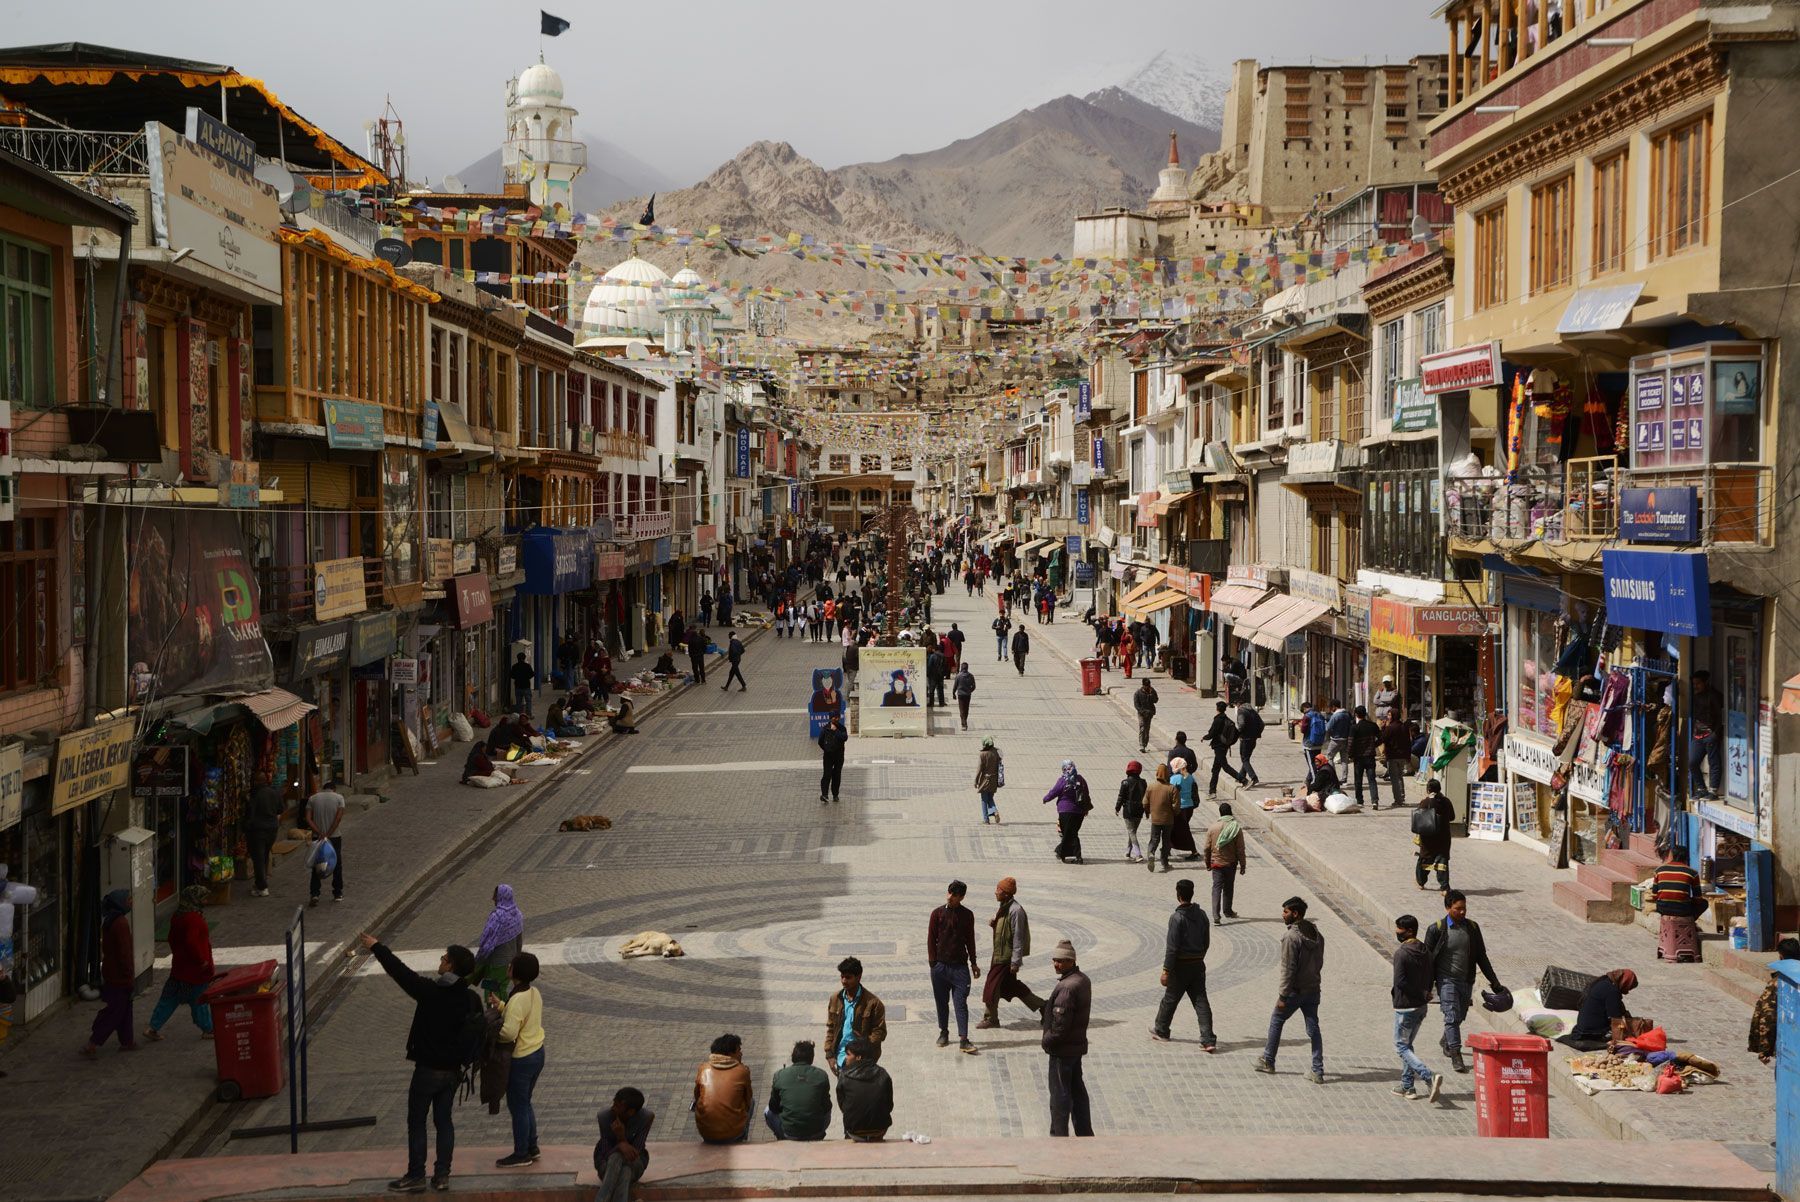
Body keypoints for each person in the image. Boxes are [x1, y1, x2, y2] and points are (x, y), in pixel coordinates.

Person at [359, 932, 481, 1194]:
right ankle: (442, 1175)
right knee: (444, 1121)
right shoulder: (470, 998)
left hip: (427, 1071)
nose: (441, 960)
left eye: (444, 958)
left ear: (450, 966)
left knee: (417, 1121)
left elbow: (399, 972)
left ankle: (416, 1175)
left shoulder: (430, 992)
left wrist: (377, 947)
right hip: (452, 1073)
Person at [1422, 890, 1502, 1074]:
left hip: (1466, 980)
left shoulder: (1473, 928)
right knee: (1450, 1015)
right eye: (1458, 909)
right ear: (1448, 908)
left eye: (1464, 908)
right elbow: (1427, 962)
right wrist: (1426, 987)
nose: (1462, 912)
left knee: (1459, 1016)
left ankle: (1447, 1040)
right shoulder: (1436, 929)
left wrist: (1494, 982)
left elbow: (1482, 957)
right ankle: (1456, 1054)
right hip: (1446, 980)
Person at [1255, 897, 1325, 1082]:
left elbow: (1288, 969)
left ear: (1295, 913)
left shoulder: (1291, 937)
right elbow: (1320, 962)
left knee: (1277, 1019)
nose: (1282, 915)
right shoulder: (1316, 933)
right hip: (1313, 989)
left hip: (1295, 991)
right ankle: (1317, 1070)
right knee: (1313, 1028)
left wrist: (1283, 996)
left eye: (1286, 911)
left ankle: (1268, 1060)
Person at [1150, 878, 1216, 1050]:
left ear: (1178, 895)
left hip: (1180, 967)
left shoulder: (1177, 918)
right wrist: (1199, 956)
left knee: (1170, 1000)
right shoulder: (1201, 915)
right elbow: (1206, 941)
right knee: (1201, 1002)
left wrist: (1166, 970)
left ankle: (1162, 1030)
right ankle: (1208, 1039)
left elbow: (1172, 948)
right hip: (1198, 965)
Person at [143, 884, 215, 1041]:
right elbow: (192, 942)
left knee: (169, 999)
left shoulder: (178, 916)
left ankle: (153, 1027)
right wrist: (201, 961)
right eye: (203, 898)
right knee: (200, 1002)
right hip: (195, 971)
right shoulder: (193, 919)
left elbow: (172, 939)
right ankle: (208, 1028)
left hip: (180, 968)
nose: (206, 901)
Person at [493, 952, 546, 1166]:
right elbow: (523, 1015)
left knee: (518, 1106)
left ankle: (521, 1152)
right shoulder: (533, 992)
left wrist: (493, 1031)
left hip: (521, 1058)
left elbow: (508, 1033)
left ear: (515, 971)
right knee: (525, 1103)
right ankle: (532, 1146)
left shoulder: (516, 999)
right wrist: (502, 1006)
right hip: (537, 1052)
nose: (508, 967)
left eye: (511, 965)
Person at [1042, 938, 1093, 1137]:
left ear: (1072, 961)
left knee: (1060, 1095)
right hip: (1076, 1048)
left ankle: (1059, 1134)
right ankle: (1084, 1132)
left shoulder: (1066, 988)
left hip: (1062, 1050)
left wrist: (1047, 1040)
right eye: (1055, 960)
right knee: (1077, 1092)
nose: (1057, 964)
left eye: (1061, 961)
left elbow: (1059, 1026)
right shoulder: (1083, 979)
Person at [1391, 914, 1443, 1103]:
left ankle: (1428, 1076)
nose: (1397, 932)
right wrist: (1425, 993)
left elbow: (1400, 982)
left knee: (1401, 1045)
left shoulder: (1402, 953)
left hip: (1405, 1007)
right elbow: (1432, 975)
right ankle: (1407, 1085)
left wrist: (1420, 993)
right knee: (1408, 1045)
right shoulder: (1425, 951)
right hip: (1421, 1007)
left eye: (1399, 929)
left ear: (1409, 931)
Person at [978, 877, 1044, 1026]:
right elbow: (1004, 929)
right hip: (999, 955)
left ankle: (990, 1018)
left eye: (998, 890)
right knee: (1012, 987)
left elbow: (1018, 937)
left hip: (1005, 958)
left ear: (1006, 894)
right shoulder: (1004, 906)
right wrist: (994, 923)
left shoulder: (1016, 911)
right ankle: (1044, 1006)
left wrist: (1015, 962)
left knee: (991, 986)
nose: (995, 892)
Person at [80, 890, 138, 1057]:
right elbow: (124, 952)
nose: (131, 903)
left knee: (125, 1008)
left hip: (112, 971)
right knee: (116, 1010)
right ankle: (93, 1042)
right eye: (128, 900)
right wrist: (128, 973)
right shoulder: (120, 923)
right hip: (119, 975)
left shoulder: (111, 921)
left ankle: (127, 1041)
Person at [927, 880, 982, 1054]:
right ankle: (943, 1031)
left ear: (962, 897)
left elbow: (970, 940)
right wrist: (933, 963)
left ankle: (963, 1039)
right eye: (949, 893)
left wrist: (973, 963)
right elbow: (931, 939)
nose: (950, 897)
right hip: (940, 967)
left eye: (954, 895)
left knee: (960, 1003)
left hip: (960, 968)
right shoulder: (937, 914)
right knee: (941, 1002)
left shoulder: (967, 915)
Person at [825, 956, 887, 1072]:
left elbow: (880, 1032)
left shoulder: (874, 1003)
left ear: (859, 977)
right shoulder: (835, 999)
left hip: (863, 1063)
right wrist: (829, 1054)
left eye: (848, 977)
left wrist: (864, 1043)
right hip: (841, 1059)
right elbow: (831, 1028)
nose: (844, 981)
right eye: (842, 977)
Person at [593, 1087, 654, 1202]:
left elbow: (635, 1153)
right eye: (614, 1104)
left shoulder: (646, 1118)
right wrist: (620, 1146)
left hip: (635, 1164)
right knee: (623, 1169)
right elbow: (605, 1154)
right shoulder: (605, 1117)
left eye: (617, 1106)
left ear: (631, 1112)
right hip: (606, 1167)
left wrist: (622, 1139)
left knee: (622, 1161)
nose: (613, 1108)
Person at [693, 1032, 754, 1144]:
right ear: (730, 1053)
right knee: (752, 1101)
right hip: (733, 1134)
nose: (741, 1054)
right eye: (739, 1050)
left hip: (706, 1134)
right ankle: (742, 1138)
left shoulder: (703, 1069)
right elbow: (748, 1100)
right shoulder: (742, 1071)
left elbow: (696, 1097)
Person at [765, 1040, 831, 1140]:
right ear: (811, 1058)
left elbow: (773, 1107)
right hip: (815, 1131)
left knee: (767, 1111)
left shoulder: (779, 1075)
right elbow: (827, 1106)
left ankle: (781, 1136)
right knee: (827, 1111)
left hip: (789, 1133)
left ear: (793, 1057)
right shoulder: (822, 1075)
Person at [1559, 969, 1639, 1051]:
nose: (1627, 991)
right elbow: (1615, 1017)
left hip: (1583, 1027)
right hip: (1591, 1031)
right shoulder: (1612, 990)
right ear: (1625, 982)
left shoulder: (1603, 982)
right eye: (1628, 988)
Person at [1749, 938, 1800, 1064]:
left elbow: (1768, 1016)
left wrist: (1764, 1049)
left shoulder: (1778, 983)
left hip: (1789, 1047)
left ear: (1781, 957)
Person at [1652, 845, 1706, 963]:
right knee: (1704, 903)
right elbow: (1698, 898)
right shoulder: (1692, 873)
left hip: (1663, 908)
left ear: (1672, 856)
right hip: (1683, 910)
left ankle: (1687, 923)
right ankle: (1690, 921)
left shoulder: (1659, 871)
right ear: (1686, 857)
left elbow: (1654, 895)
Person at [470, 884, 524, 1000]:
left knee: (492, 992)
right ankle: (503, 1011)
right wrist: (517, 959)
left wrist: (479, 959)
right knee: (502, 988)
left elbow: (487, 943)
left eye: (495, 895)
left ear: (501, 897)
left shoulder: (497, 917)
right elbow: (519, 940)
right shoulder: (518, 914)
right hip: (510, 963)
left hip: (496, 964)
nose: (493, 898)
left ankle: (496, 1014)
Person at [835, 1038, 893, 1141]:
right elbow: (889, 1105)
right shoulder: (883, 1073)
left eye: (848, 1055)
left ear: (858, 1057)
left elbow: (843, 1105)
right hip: (879, 1130)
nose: (845, 1058)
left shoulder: (844, 1075)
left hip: (854, 1131)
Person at [1202, 802, 1246, 923]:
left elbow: (1206, 848)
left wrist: (1207, 863)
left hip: (1216, 863)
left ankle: (1216, 915)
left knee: (1216, 888)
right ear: (1230, 812)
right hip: (1230, 863)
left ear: (1220, 813)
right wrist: (1243, 865)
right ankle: (1227, 911)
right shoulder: (1236, 828)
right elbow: (1240, 849)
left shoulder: (1212, 827)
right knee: (1228, 887)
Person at [305, 781, 346, 906]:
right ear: (333, 789)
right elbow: (338, 818)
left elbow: (308, 818)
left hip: (318, 837)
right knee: (336, 863)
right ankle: (337, 892)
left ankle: (315, 893)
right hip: (334, 837)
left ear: (324, 789)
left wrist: (319, 832)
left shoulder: (313, 798)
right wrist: (329, 833)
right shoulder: (339, 798)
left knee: (317, 864)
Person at [1042, 760, 1091, 864]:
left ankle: (1070, 855)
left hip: (1065, 811)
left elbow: (1054, 791)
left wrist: (1045, 799)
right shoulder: (1081, 779)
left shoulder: (1063, 780)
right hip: (1079, 812)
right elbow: (1086, 793)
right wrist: (1086, 808)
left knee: (1069, 834)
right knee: (1072, 833)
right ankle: (1063, 852)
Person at [244, 771, 284, 897]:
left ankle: (262, 886)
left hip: (258, 829)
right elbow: (280, 809)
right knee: (264, 855)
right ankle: (261, 883)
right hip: (272, 828)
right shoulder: (274, 792)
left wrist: (246, 826)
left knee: (258, 858)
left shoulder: (255, 794)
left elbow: (251, 813)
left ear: (256, 781)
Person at [1414, 780, 1456, 892]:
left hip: (1428, 839)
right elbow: (1452, 817)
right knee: (1442, 862)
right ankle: (1444, 887)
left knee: (1424, 860)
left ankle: (1421, 882)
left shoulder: (1424, 803)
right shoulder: (1446, 802)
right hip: (1443, 838)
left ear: (1428, 790)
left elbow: (1418, 819)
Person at [1689, 669, 1723, 799]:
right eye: (1694, 684)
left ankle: (1713, 791)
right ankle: (1701, 788)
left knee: (1713, 762)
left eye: (1698, 683)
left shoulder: (1714, 696)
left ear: (1706, 683)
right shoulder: (1696, 696)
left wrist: (1715, 734)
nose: (1695, 686)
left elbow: (1721, 716)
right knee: (1692, 762)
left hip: (1710, 734)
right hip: (1697, 735)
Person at [1203, 700, 1244, 799]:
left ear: (1217, 709)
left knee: (1225, 767)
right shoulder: (1226, 719)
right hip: (1224, 746)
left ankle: (1242, 780)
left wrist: (1204, 737)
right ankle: (1212, 791)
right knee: (1215, 770)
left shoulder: (1217, 720)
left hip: (1219, 746)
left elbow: (1212, 733)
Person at [1144, 763, 1179, 873]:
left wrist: (1147, 812)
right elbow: (1176, 805)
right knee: (1166, 840)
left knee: (1154, 838)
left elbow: (1145, 802)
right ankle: (1164, 862)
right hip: (1168, 820)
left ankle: (1151, 853)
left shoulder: (1151, 787)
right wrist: (1175, 813)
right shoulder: (1172, 788)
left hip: (1155, 819)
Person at [1349, 705, 1383, 808]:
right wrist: (1374, 745)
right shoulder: (1373, 726)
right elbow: (1381, 738)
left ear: (1356, 714)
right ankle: (1374, 800)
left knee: (1358, 780)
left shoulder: (1354, 728)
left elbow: (1350, 743)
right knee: (1372, 779)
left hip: (1358, 757)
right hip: (1370, 756)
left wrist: (1350, 755)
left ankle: (1360, 800)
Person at [1169, 758, 1201, 859]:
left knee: (1180, 829)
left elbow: (1170, 793)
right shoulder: (1190, 777)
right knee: (1179, 828)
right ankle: (1168, 847)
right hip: (1189, 807)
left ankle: (1194, 851)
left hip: (1179, 808)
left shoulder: (1174, 779)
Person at [1115, 761, 1147, 863]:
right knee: (1132, 831)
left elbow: (1121, 796)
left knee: (1132, 831)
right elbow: (1146, 798)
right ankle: (1128, 851)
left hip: (1128, 810)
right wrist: (1147, 811)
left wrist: (1117, 808)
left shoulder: (1125, 782)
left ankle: (1138, 854)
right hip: (1139, 810)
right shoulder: (1143, 782)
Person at [1379, 714, 1412, 809]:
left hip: (1393, 756)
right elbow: (1408, 742)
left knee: (1394, 779)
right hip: (1402, 756)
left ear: (1393, 716)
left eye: (1389, 715)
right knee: (1399, 777)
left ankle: (1398, 800)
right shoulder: (1403, 727)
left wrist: (1383, 728)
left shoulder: (1390, 728)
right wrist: (1408, 756)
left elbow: (1383, 738)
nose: (1388, 717)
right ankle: (1401, 797)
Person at [818, 714, 848, 805]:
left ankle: (835, 795)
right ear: (830, 718)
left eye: (837, 717)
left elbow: (844, 738)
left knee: (836, 775)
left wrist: (836, 731)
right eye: (834, 717)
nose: (836, 719)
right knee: (827, 775)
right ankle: (824, 795)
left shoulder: (842, 728)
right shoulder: (825, 728)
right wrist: (826, 749)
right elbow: (820, 741)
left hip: (839, 756)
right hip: (828, 756)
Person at [975, 737, 1003, 824]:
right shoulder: (997, 752)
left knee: (984, 799)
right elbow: (1001, 758)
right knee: (990, 798)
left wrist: (976, 780)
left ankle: (986, 819)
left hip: (985, 780)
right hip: (994, 779)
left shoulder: (982, 754)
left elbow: (979, 769)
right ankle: (994, 811)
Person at [1235, 701, 1264, 786]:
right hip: (1253, 739)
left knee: (1244, 759)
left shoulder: (1241, 711)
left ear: (1238, 705)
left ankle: (1253, 778)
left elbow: (1242, 724)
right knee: (1246, 758)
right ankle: (1240, 776)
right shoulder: (1253, 711)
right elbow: (1262, 724)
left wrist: (1238, 733)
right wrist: (1257, 734)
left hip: (1245, 739)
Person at [1325, 699, 1353, 769]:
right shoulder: (1347, 715)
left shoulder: (1335, 716)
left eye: (1331, 707)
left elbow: (1327, 728)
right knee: (1344, 760)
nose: (1331, 709)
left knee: (1329, 757)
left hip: (1335, 740)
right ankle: (1344, 778)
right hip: (1345, 739)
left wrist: (1325, 723)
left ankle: (1332, 775)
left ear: (1334, 707)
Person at [1133, 680, 1159, 753]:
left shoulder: (1152, 691)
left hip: (1149, 713)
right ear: (1143, 685)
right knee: (1142, 727)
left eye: (1149, 686)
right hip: (1141, 713)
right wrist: (1142, 712)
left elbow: (1156, 700)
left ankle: (1145, 744)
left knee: (1147, 729)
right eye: (1146, 686)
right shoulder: (1138, 693)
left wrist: (1151, 694)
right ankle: (1141, 745)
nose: (1148, 687)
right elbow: (1136, 705)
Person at [951, 663, 977, 731]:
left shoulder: (958, 676)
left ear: (961, 668)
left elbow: (955, 686)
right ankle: (964, 721)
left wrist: (953, 693)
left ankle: (964, 724)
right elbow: (974, 686)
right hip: (968, 695)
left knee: (962, 710)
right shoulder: (971, 676)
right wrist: (969, 691)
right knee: (966, 709)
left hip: (960, 695)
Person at [925, 644, 947, 708]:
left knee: (932, 690)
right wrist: (944, 674)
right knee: (940, 689)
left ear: (935, 649)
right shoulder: (943, 656)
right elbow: (946, 666)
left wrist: (928, 674)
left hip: (933, 675)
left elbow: (929, 665)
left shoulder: (932, 656)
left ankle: (931, 703)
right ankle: (941, 702)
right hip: (940, 675)